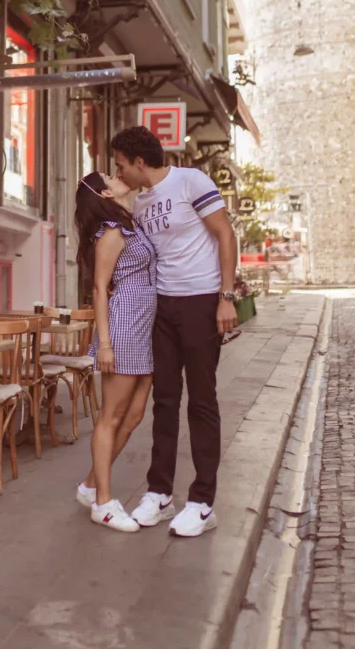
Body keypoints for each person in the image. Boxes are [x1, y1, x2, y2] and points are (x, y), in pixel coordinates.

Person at [111, 126, 238, 538]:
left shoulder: (191, 181)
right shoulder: (142, 200)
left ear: (139, 162)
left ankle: (202, 503)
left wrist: (226, 296)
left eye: (120, 165)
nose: (119, 172)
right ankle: (160, 493)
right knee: (164, 401)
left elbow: (225, 234)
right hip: (163, 308)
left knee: (201, 401)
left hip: (201, 301)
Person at [73, 171, 157, 533]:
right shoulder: (110, 231)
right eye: (110, 175)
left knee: (135, 414)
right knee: (110, 416)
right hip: (123, 328)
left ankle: (90, 485)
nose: (117, 174)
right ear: (104, 192)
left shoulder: (130, 222)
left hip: (145, 328)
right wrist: (103, 344)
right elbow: (98, 288)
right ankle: (103, 503)